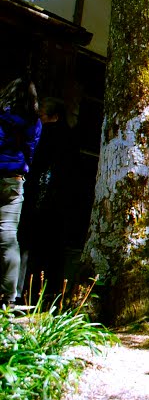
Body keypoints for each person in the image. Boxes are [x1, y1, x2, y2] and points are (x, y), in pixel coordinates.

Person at [19, 97, 76, 300]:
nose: (40, 119)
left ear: (54, 116)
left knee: (35, 247)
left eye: (43, 115)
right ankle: (52, 293)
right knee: (56, 249)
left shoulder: (47, 134)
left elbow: (37, 165)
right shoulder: (72, 137)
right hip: (63, 201)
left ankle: (29, 293)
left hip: (43, 197)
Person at [0, 78, 40, 306]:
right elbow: (30, 151)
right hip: (14, 180)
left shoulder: (2, 116)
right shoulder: (34, 122)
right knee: (8, 238)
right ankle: (9, 297)